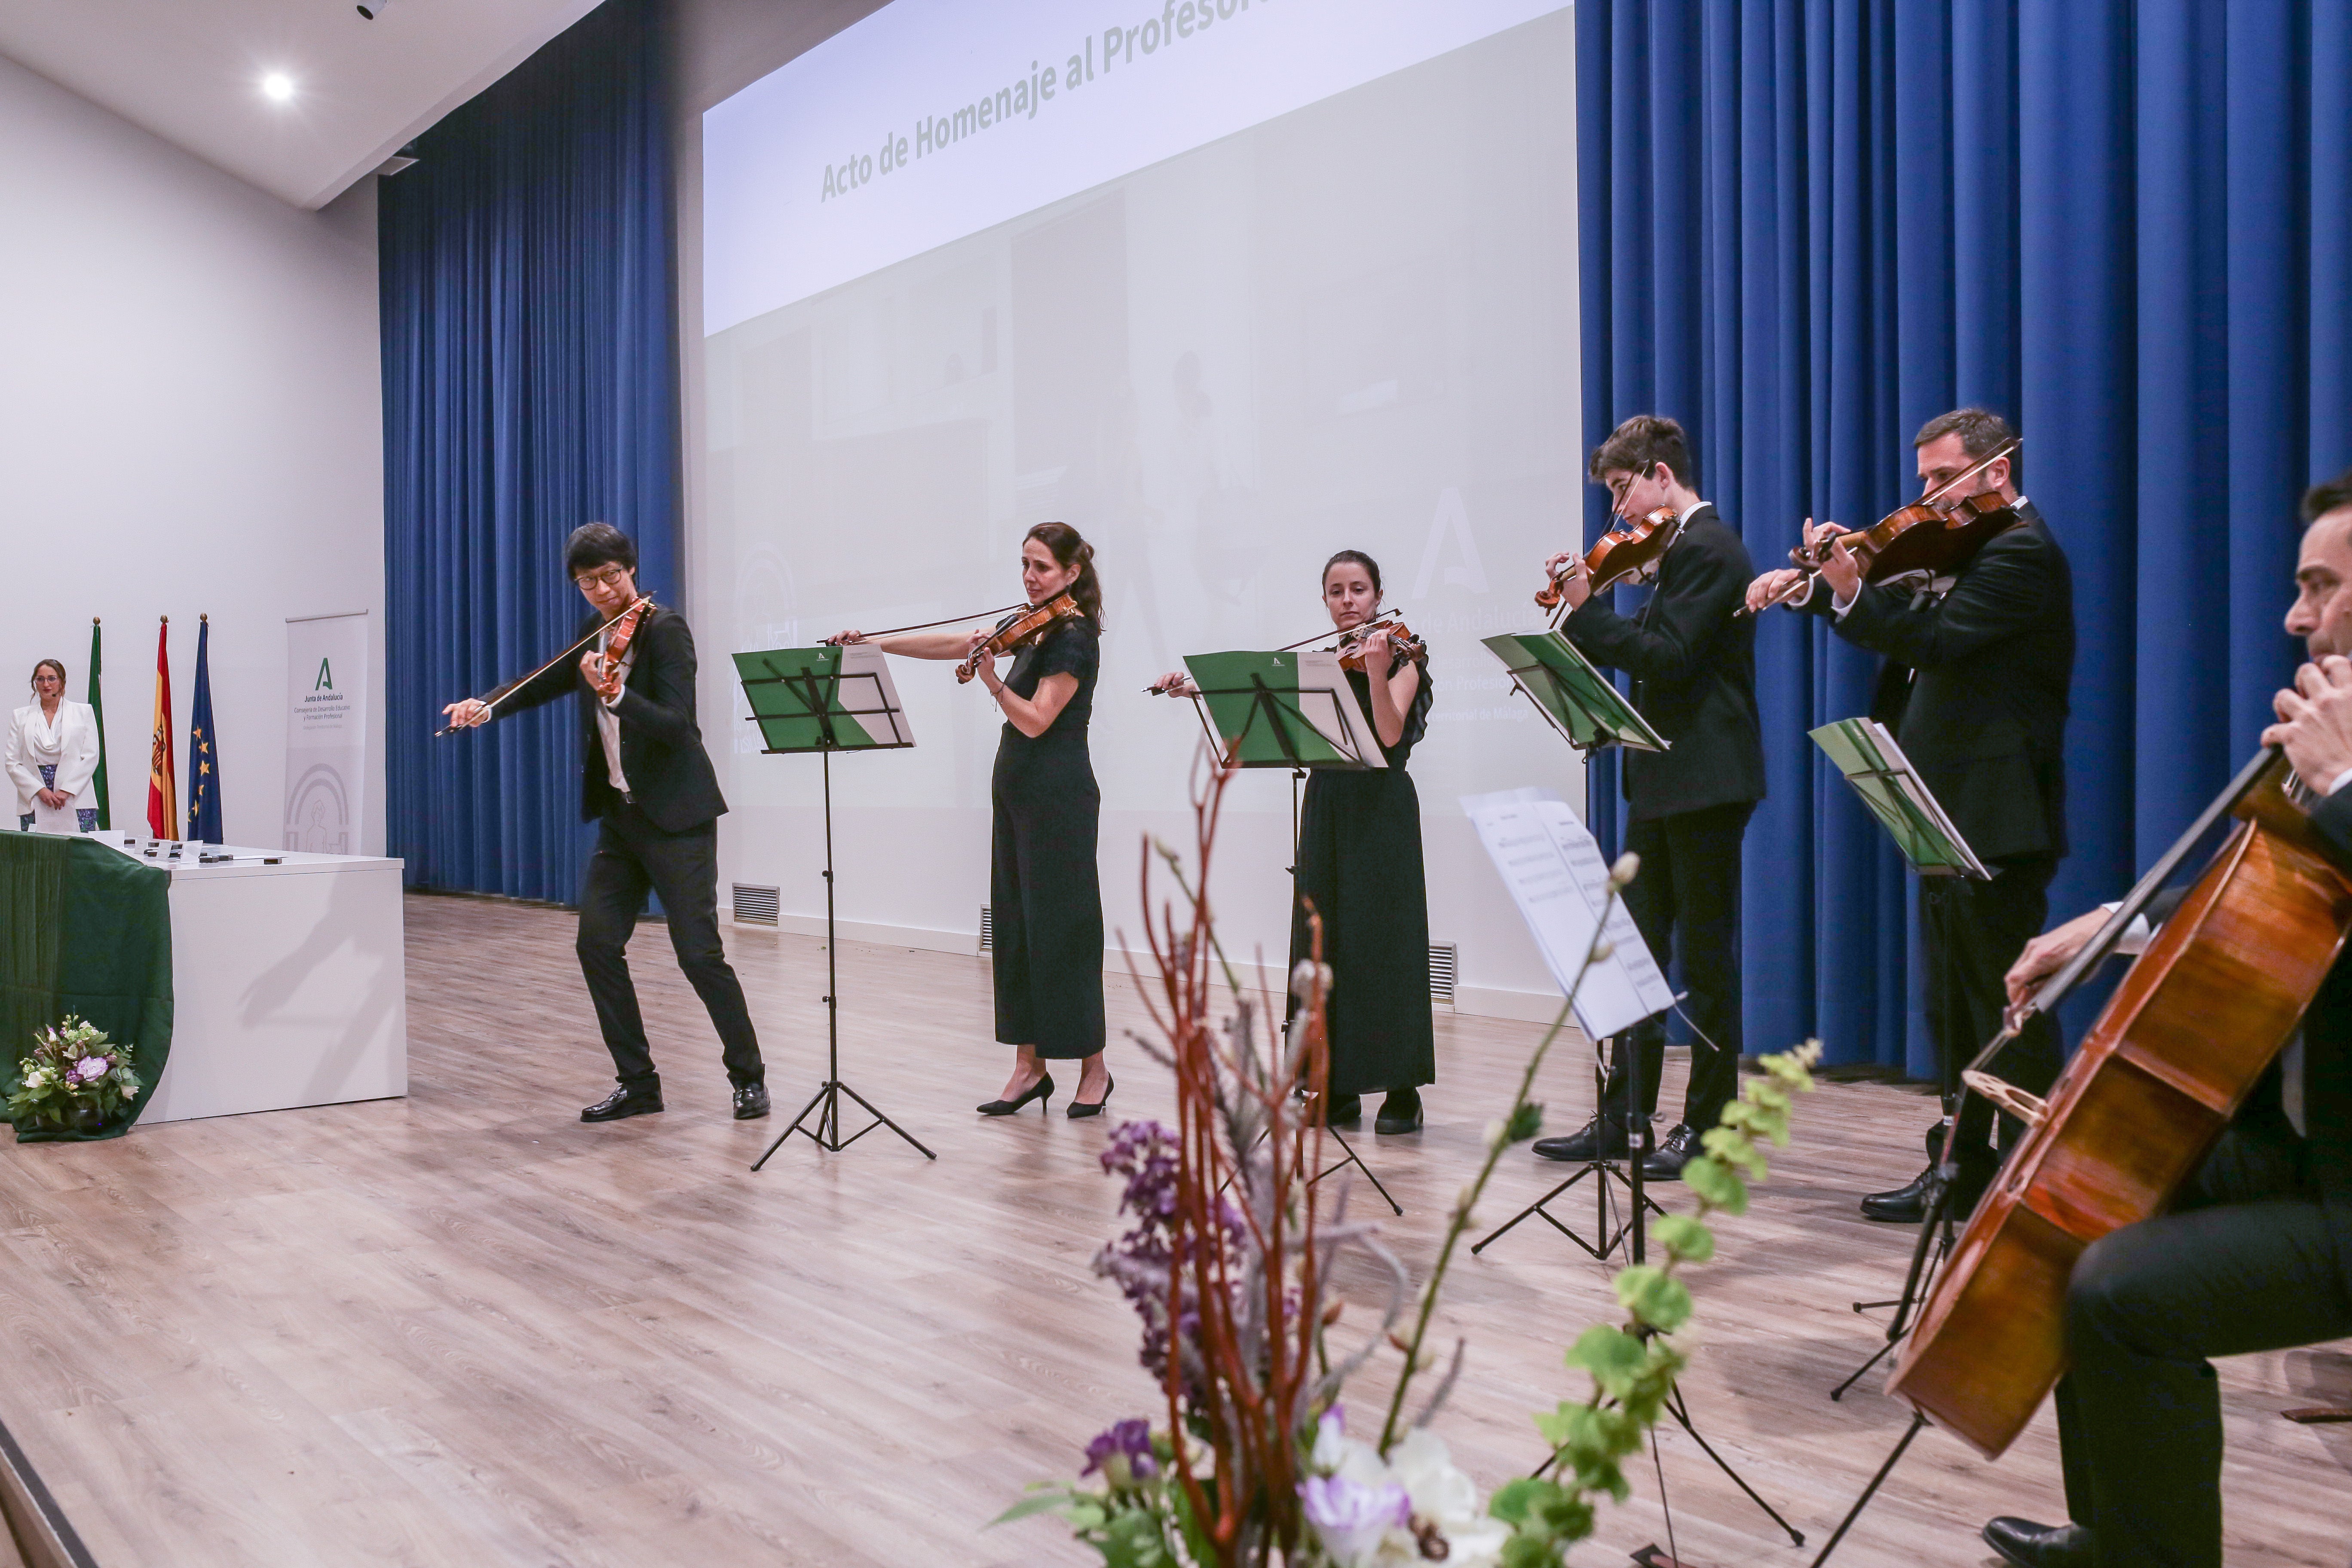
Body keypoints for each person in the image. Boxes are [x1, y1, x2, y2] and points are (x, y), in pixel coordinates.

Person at [1970, 467, 2352, 1568]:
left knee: (2124, 1295)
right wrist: (2110, 923)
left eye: (2320, 587)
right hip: (2304, 1150)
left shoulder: (2338, 764)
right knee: (2073, 1199)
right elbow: (2269, 904)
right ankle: (2120, 1532)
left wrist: (2335, 794)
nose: (2293, 613)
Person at [1745, 407, 2074, 1220]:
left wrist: (1848, 586)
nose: (1924, 496)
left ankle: (2047, 1179)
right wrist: (1814, 589)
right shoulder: (1964, 544)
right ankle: (1960, 1168)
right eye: (1922, 478)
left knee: (2007, 1006)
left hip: (1996, 810)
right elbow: (1899, 611)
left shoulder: (2022, 552)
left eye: (1940, 477)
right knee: (1952, 1003)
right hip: (1941, 804)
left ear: (1995, 470)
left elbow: (1937, 638)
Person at [442, 523, 770, 1124]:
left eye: (609, 577)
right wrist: (487, 705)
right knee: (596, 943)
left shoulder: (666, 630)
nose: (600, 591)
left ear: (632, 570)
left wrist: (618, 698)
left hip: (677, 818)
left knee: (699, 955)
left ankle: (748, 1077)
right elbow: (545, 679)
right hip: (621, 820)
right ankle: (638, 1083)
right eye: (586, 582)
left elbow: (677, 726)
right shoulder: (594, 632)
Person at [1531, 415, 1765, 1179]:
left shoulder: (1709, 548)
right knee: (1634, 955)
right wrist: (1601, 595)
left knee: (1703, 959)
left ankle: (1708, 1131)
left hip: (1704, 780)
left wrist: (1589, 606)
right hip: (1666, 776)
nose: (1619, 514)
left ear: (1662, 475)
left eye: (1621, 492)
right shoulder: (1674, 553)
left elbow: (1665, 660)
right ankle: (1623, 1116)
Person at [834, 523, 1112, 1117]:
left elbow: (1037, 720)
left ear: (1071, 574)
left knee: (1065, 931)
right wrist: (876, 643)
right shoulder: (1033, 630)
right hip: (1016, 793)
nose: (1029, 577)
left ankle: (1095, 1069)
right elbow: (953, 643)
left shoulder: (1073, 638)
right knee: (1017, 930)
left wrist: (989, 680)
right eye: (1025, 565)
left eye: (1041, 567)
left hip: (1059, 798)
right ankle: (1028, 1067)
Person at [1155, 550, 1438, 1133]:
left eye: (1359, 589)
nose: (1348, 601)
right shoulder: (1321, 665)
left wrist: (1380, 670)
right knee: (1323, 943)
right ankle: (1330, 1083)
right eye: (1336, 591)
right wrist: (1200, 693)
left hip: (1381, 809)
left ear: (1379, 595)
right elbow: (1266, 714)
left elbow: (1387, 739)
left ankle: (1402, 1091)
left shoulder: (1406, 654)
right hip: (1328, 803)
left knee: (1384, 944)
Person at [8, 659, 101, 834]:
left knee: (78, 852)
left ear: (62, 681)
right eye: (40, 679)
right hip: (36, 794)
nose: (46, 684)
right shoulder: (20, 716)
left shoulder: (83, 712)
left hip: (75, 794)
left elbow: (91, 756)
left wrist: (66, 791)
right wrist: (40, 790)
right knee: (39, 853)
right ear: (35, 683)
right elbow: (12, 762)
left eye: (52, 678)